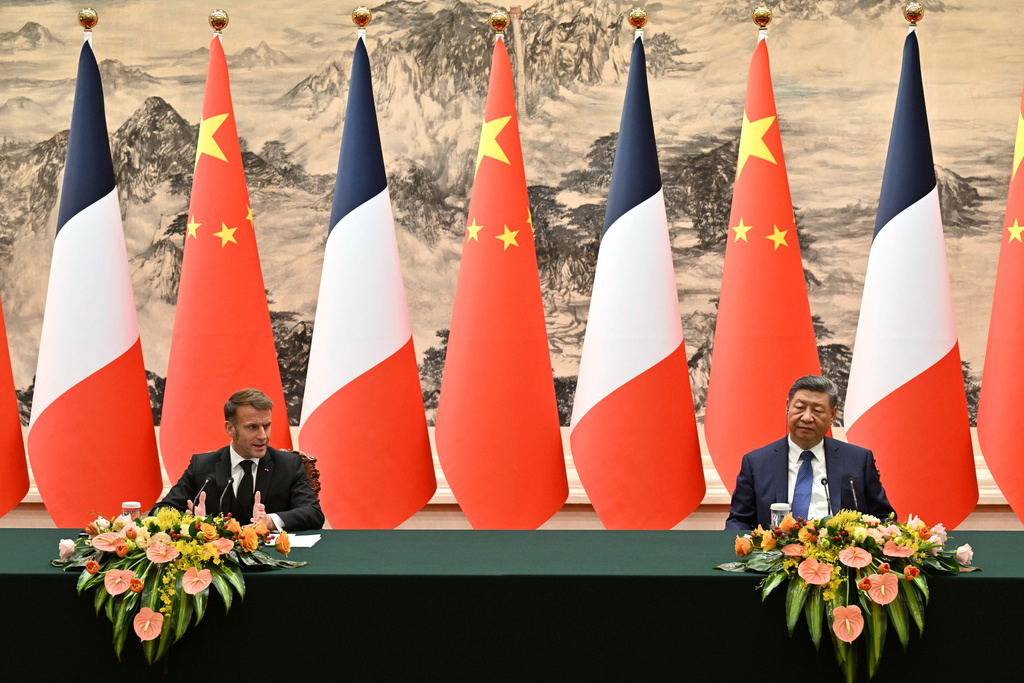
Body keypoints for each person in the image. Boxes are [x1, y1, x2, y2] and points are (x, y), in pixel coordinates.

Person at [725, 375, 894, 530]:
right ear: (787, 407)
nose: (806, 417)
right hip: (775, 558)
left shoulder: (858, 460)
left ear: (832, 415)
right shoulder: (756, 463)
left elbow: (884, 518)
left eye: (817, 410)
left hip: (840, 557)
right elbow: (739, 521)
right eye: (799, 407)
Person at [155, 388, 325, 531]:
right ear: (230, 428)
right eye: (252, 427)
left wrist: (270, 521)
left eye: (266, 426)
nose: (263, 436)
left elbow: (313, 513)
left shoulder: (288, 465)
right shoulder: (203, 466)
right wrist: (189, 523)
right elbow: (159, 512)